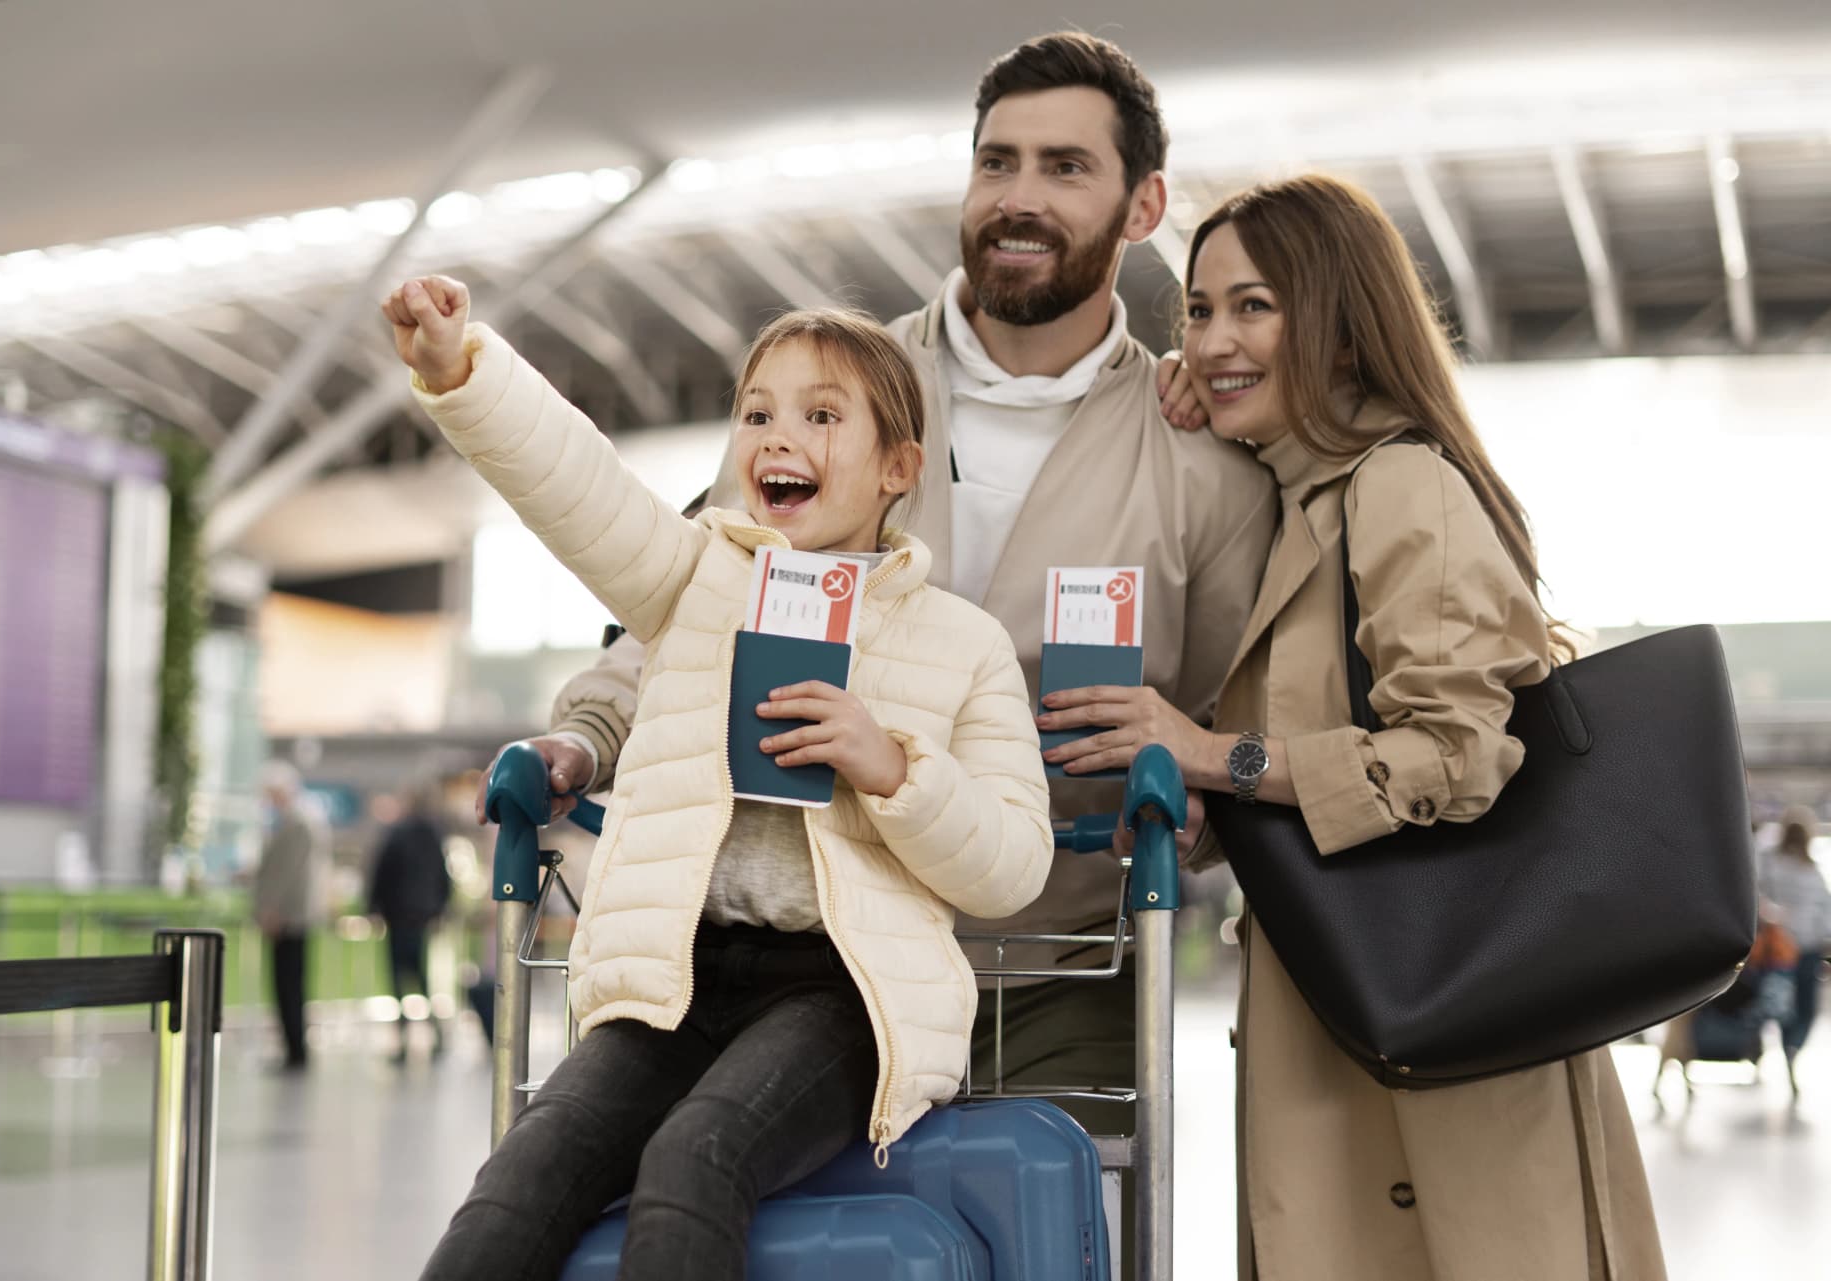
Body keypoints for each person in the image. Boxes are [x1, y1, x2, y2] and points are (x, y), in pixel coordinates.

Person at [474, 30, 1277, 1158]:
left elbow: (1245, 719)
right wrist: (587, 735)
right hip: (815, 962)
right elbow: (697, 597)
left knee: (1053, 1228)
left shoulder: (1202, 465)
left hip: (1063, 973)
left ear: (1144, 206)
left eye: (1065, 167)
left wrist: (1199, 801)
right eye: (996, 161)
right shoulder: (826, 394)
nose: (1020, 197)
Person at [1040, 174, 1666, 1279]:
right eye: (1197, 310)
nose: (1215, 338)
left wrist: (1208, 752)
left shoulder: (1400, 486)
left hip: (1447, 1028)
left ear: (1338, 321)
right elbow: (1311, 748)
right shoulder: (1301, 503)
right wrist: (1204, 799)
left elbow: (1456, 757)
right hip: (1354, 1009)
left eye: (1255, 306)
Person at [384, 276, 1054, 1279]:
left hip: (841, 994)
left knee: (696, 1159)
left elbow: (1012, 868)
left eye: (823, 415)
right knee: (519, 1183)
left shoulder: (965, 646)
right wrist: (460, 368)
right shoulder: (697, 581)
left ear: (898, 468)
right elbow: (581, 489)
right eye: (758, 413)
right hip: (676, 978)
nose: (779, 436)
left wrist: (891, 767)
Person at [366, 785, 455, 1063]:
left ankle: (404, 1041)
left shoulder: (396, 834)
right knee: (421, 977)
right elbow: (443, 876)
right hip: (422, 916)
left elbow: (381, 873)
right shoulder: (432, 834)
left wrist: (373, 908)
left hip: (398, 915)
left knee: (398, 978)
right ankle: (435, 1035)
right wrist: (440, 908)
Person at [252, 761, 330, 1072]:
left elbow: (289, 874)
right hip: (290, 915)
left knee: (289, 985)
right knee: (287, 985)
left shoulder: (298, 821)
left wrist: (273, 908)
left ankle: (295, 1051)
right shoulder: (299, 820)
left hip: (290, 917)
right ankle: (292, 1048)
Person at [1761, 806, 1830, 1099]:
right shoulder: (1774, 863)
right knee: (1793, 1006)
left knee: (1794, 1006)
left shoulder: (1807, 867)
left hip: (1796, 948)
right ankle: (1790, 1048)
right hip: (1789, 948)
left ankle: (1790, 1049)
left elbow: (1825, 909)